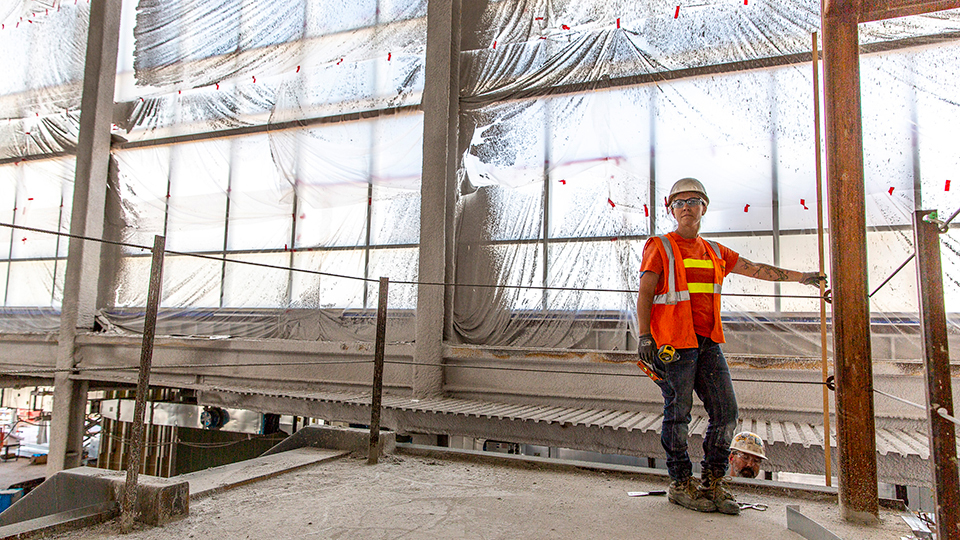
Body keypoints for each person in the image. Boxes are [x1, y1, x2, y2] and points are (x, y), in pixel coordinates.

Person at [636, 177, 825, 515]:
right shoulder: (660, 246)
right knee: (677, 415)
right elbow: (646, 292)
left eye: (693, 201)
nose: (686, 207)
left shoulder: (715, 252)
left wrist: (802, 277)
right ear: (671, 209)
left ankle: (712, 482)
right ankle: (680, 483)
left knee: (726, 414)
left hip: (707, 343)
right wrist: (644, 336)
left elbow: (756, 270)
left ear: (704, 207)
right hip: (674, 345)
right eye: (679, 203)